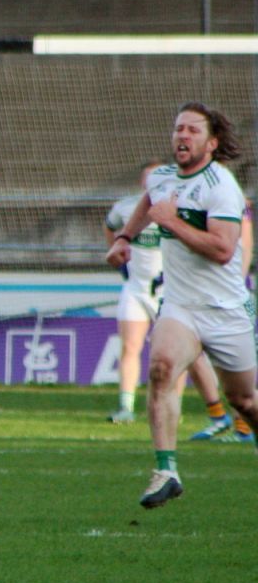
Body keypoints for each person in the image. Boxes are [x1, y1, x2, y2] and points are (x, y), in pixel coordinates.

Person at [105, 102, 258, 509]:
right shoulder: (162, 177)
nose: (182, 136)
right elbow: (147, 203)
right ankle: (166, 470)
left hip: (225, 310)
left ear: (211, 142)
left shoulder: (221, 185)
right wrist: (125, 239)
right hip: (181, 305)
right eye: (178, 129)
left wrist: (171, 221)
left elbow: (224, 250)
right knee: (160, 369)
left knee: (244, 400)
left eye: (192, 130)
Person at [104, 161, 231, 429]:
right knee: (130, 346)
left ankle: (203, 410)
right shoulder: (127, 207)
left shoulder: (179, 207)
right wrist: (119, 251)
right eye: (148, 178)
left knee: (182, 355)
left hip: (169, 290)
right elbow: (110, 226)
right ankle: (126, 407)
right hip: (136, 288)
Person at [190, 200, 255, 442]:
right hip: (202, 295)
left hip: (233, 296)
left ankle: (243, 427)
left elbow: (245, 245)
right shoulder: (194, 198)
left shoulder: (230, 197)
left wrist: (235, 285)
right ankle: (219, 417)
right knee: (189, 354)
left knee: (239, 363)